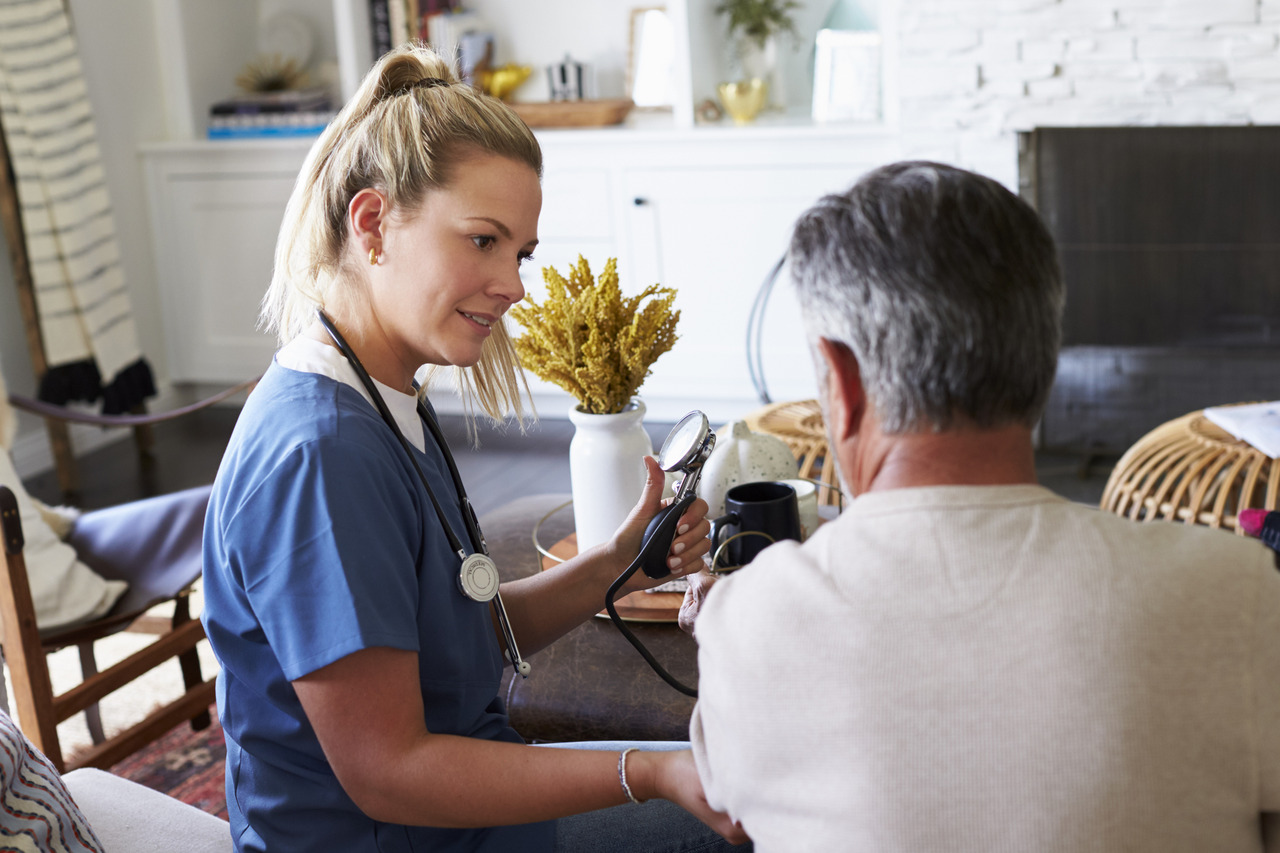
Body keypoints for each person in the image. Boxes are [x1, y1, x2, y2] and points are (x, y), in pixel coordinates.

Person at [200, 43, 748, 853]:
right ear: (373, 223)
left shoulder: (382, 396)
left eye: (520, 252)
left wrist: (620, 560)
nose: (517, 284)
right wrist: (651, 768)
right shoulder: (321, 456)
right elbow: (390, 770)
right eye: (484, 240)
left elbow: (459, 629)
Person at [684, 160, 1280, 851]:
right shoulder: (1234, 591)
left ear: (841, 384)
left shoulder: (748, 619)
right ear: (1043, 357)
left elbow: (728, 807)